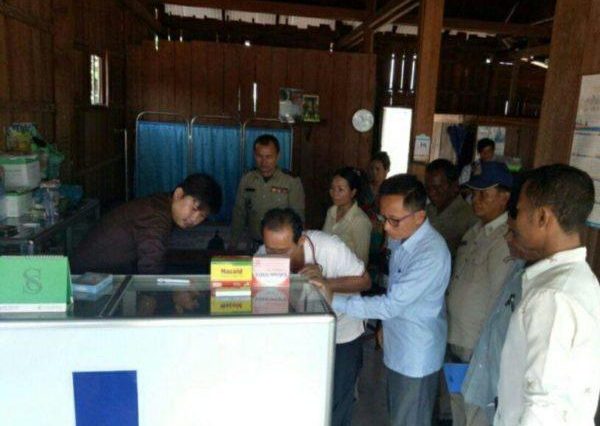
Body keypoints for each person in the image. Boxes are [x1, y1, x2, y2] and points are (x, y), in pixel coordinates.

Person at [326, 174, 451, 426]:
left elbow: (391, 304)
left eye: (394, 220)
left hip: (415, 353)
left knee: (410, 419)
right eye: (383, 218)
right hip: (398, 342)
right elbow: (394, 289)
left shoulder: (431, 254)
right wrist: (385, 325)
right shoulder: (402, 237)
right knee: (399, 416)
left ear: (420, 216)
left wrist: (332, 299)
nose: (385, 227)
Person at [494, 164, 600, 425]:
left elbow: (544, 408)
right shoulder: (578, 279)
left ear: (542, 217)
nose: (514, 220)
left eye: (519, 211)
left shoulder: (552, 297)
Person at [256, 208, 370, 426]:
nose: (276, 257)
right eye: (270, 250)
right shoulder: (262, 256)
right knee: (305, 390)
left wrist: (326, 283)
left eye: (283, 251)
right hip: (301, 333)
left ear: (300, 240)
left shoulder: (330, 248)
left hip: (343, 330)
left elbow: (364, 281)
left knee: (339, 394)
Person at [460, 177, 539, 426]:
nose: (508, 239)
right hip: (477, 352)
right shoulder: (517, 268)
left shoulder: (546, 291)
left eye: (513, 233)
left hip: (495, 369)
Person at [446, 161, 514, 425]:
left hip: (477, 344)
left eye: (484, 194)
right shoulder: (474, 231)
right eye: (474, 194)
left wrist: (490, 347)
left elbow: (500, 300)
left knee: (476, 410)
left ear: (504, 197)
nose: (476, 200)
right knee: (457, 405)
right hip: (456, 336)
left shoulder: (505, 239)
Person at [71, 173, 222, 275]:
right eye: (194, 209)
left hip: (99, 272)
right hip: (85, 278)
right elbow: (150, 266)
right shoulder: (156, 216)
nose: (194, 219)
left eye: (202, 216)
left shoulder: (160, 204)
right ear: (178, 194)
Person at [230, 134, 305, 250]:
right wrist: (233, 243)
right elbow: (239, 214)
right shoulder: (247, 179)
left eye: (269, 157)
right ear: (254, 155)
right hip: (253, 243)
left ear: (278, 156)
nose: (263, 162)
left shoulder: (291, 181)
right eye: (259, 156)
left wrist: (296, 248)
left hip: (280, 247)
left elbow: (298, 218)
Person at [425, 159, 478, 257]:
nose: (431, 193)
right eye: (428, 188)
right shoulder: (426, 211)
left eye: (437, 187)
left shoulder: (469, 218)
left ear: (455, 186)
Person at [323, 167, 372, 265]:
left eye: (340, 190)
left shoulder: (360, 220)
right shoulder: (331, 212)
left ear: (353, 192)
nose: (334, 194)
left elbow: (362, 261)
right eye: (332, 188)